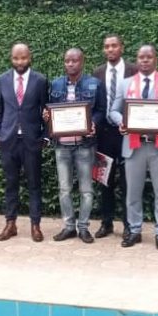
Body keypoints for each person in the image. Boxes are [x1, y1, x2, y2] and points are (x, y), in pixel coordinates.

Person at [108, 45, 158, 251]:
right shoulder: (125, 84)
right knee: (133, 193)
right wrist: (122, 121)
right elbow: (113, 111)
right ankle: (134, 230)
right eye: (141, 57)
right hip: (134, 146)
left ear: (156, 59)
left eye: (149, 57)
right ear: (137, 59)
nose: (145, 60)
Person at [43, 48, 108, 243]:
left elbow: (101, 110)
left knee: (86, 190)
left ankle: (83, 227)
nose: (70, 64)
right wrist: (46, 116)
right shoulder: (55, 84)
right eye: (67, 60)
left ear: (82, 62)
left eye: (74, 60)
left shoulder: (95, 84)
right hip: (62, 145)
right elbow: (50, 110)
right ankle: (69, 226)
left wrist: (93, 123)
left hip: (84, 145)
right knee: (64, 189)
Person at [0, 43, 49, 242]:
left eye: (23, 58)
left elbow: (47, 111)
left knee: (34, 184)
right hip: (8, 141)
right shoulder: (2, 80)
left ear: (29, 58)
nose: (19, 62)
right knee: (11, 184)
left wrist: (46, 136)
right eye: (16, 58)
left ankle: (35, 225)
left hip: (31, 141)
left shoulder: (40, 80)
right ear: (11, 58)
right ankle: (10, 224)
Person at [91, 35, 137, 239]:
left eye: (114, 45)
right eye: (107, 46)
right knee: (104, 180)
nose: (110, 49)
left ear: (122, 48)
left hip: (127, 133)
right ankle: (106, 223)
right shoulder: (97, 73)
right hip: (104, 134)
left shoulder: (134, 71)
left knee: (128, 180)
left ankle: (129, 224)